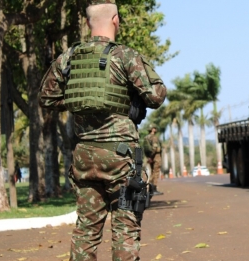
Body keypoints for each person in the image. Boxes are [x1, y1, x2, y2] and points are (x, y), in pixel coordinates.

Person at [38, 0, 167, 260]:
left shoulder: (69, 57)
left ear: (87, 23)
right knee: (125, 229)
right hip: (120, 158)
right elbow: (156, 96)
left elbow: (46, 97)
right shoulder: (125, 55)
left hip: (84, 158)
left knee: (86, 231)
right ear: (116, 20)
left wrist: (78, 101)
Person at [143, 124, 163, 195]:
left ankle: (151, 189)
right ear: (152, 129)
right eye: (154, 128)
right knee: (156, 172)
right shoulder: (154, 137)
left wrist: (149, 157)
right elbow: (154, 148)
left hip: (149, 157)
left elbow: (146, 148)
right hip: (155, 157)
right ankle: (154, 189)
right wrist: (152, 157)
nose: (156, 129)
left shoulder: (146, 137)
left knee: (151, 173)